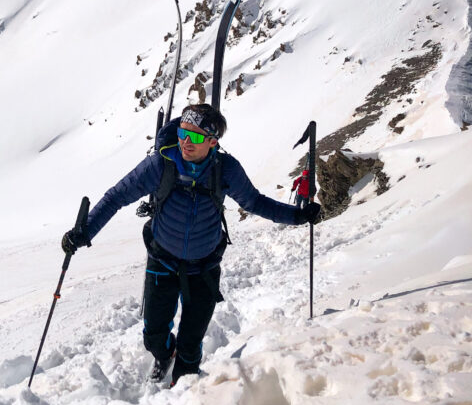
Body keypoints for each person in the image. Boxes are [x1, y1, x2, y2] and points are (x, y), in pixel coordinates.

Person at [62, 103, 321, 386]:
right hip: (162, 259)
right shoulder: (162, 163)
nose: (186, 142)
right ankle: (164, 354)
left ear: (213, 142)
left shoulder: (225, 170)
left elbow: (254, 202)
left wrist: (298, 216)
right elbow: (116, 197)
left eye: (196, 137)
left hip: (204, 266)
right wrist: (84, 232)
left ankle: (184, 392)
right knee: (153, 336)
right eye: (183, 133)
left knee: (191, 343)